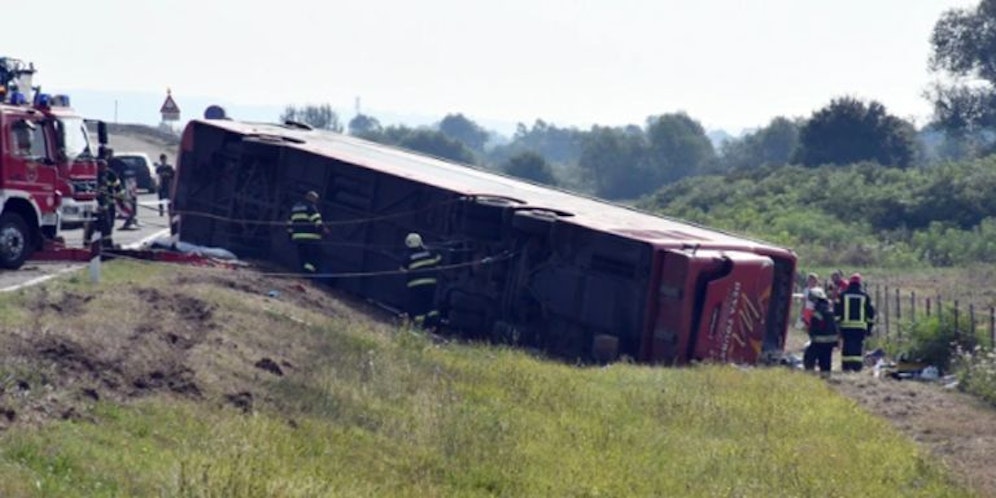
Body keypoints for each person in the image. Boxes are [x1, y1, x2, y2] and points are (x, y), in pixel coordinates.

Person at [835, 273, 876, 372]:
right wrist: (869, 328)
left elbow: (837, 312)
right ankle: (857, 367)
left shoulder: (843, 295)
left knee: (847, 346)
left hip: (846, 327)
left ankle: (846, 367)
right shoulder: (865, 296)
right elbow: (871, 314)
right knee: (858, 347)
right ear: (859, 283)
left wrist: (837, 326)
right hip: (860, 327)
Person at [402, 232, 442, 329]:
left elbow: (402, 270)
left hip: (416, 286)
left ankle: (419, 327)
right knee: (430, 305)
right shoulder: (431, 253)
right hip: (431, 284)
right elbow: (439, 259)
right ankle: (435, 323)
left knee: (418, 308)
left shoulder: (408, 257)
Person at [84, 159, 124, 249]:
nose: (103, 170)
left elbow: (119, 188)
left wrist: (118, 197)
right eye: (101, 168)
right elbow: (87, 188)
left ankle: (106, 244)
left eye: (104, 168)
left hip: (109, 204)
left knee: (109, 224)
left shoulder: (110, 174)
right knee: (93, 224)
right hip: (96, 205)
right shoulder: (93, 174)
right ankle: (88, 243)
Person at [286, 190, 327, 274]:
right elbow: (317, 221)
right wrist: (324, 231)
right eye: (315, 199)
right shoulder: (311, 207)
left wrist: (290, 234)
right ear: (312, 199)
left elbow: (289, 222)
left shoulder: (295, 207)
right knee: (314, 257)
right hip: (311, 238)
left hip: (298, 238)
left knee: (303, 256)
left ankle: (305, 272)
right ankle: (310, 274)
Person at [802, 287, 839, 378]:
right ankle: (826, 377)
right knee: (826, 361)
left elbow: (814, 327)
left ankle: (809, 375)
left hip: (819, 341)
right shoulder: (829, 309)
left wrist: (810, 331)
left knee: (809, 356)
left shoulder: (818, 311)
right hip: (830, 342)